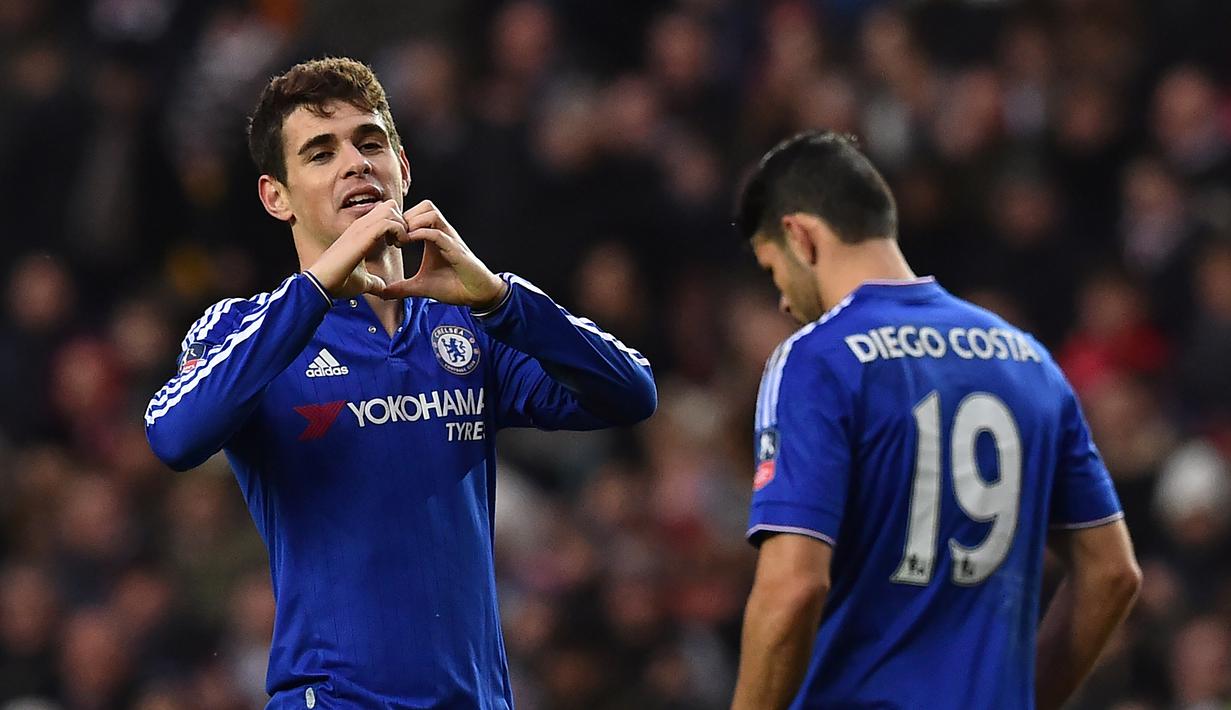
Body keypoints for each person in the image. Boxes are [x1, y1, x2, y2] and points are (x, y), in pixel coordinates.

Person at [143, 57, 656, 709]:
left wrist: (501, 299)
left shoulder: (472, 327)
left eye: (370, 142)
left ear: (403, 169)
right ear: (277, 196)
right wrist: (317, 291)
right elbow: (173, 435)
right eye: (321, 153)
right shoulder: (247, 328)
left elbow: (631, 392)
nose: (355, 163)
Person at [728, 131, 1141, 710]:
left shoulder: (817, 358)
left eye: (774, 272)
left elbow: (794, 586)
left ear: (800, 235)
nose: (784, 303)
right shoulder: (1027, 359)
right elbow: (1113, 573)